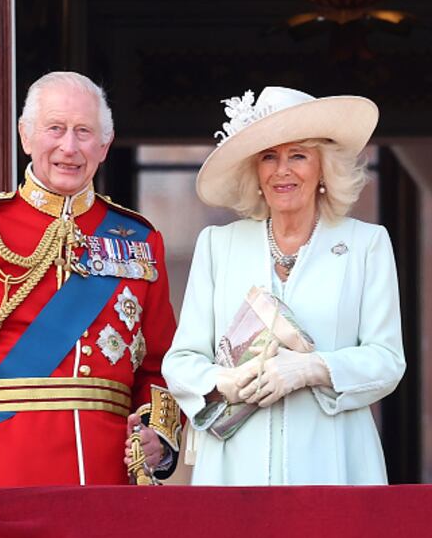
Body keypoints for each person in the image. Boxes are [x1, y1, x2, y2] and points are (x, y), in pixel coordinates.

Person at [0, 71, 182, 488]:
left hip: (107, 471)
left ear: (105, 145)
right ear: (25, 136)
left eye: (84, 132)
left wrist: (156, 438)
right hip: (4, 467)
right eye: (55, 129)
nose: (69, 147)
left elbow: (160, 363)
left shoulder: (142, 240)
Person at [162, 86, 406, 485]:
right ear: (254, 171)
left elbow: (387, 360)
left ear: (324, 167)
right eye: (269, 157)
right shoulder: (218, 245)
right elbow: (181, 361)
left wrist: (311, 368)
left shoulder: (367, 244)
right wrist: (223, 382)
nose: (282, 170)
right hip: (233, 468)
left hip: (334, 464)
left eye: (298, 155)